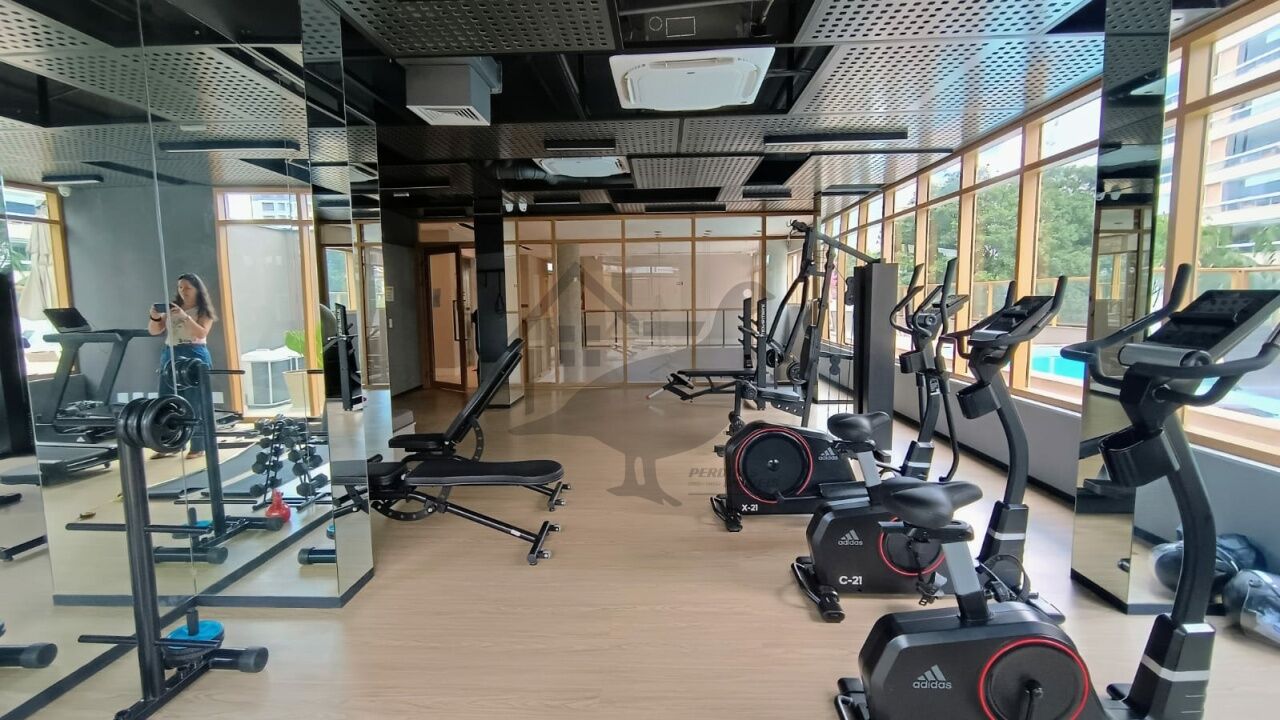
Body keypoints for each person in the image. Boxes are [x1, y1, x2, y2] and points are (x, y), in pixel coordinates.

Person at [148, 273, 217, 459]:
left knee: (195, 401)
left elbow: (201, 333)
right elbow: (154, 331)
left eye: (187, 288)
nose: (183, 291)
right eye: (180, 287)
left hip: (194, 351)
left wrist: (185, 316)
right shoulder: (171, 308)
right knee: (166, 399)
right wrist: (155, 317)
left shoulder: (204, 311)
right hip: (170, 352)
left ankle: (198, 445)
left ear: (197, 289)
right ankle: (170, 443)